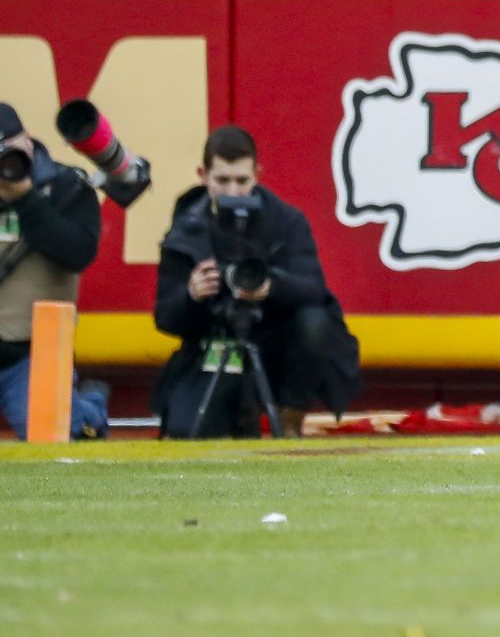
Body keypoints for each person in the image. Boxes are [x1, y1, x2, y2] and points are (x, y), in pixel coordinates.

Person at [153, 126, 361, 438]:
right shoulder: (185, 231)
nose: (233, 192)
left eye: (242, 180)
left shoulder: (286, 221)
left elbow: (314, 289)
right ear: (203, 175)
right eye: (222, 181)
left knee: (316, 322)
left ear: (258, 175)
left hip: (276, 342)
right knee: (189, 431)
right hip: (214, 342)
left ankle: (290, 416)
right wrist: (191, 296)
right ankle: (238, 412)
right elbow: (164, 317)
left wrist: (269, 287)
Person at [0, 104, 107, 441]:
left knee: (59, 437)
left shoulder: (66, 187)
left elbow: (77, 252)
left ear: (28, 142)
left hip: (31, 351)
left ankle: (89, 410)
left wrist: (26, 199)